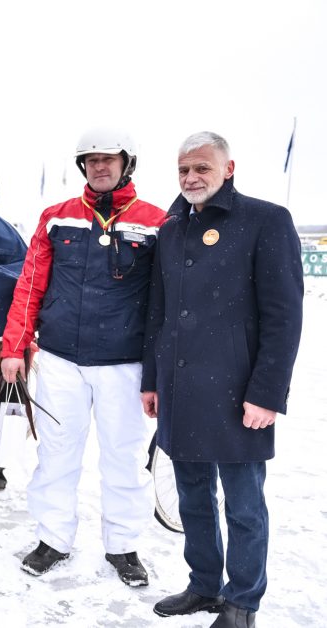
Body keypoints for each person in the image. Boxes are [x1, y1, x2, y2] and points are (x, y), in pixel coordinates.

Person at [143, 132, 303, 627]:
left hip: (239, 394)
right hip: (180, 390)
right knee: (193, 497)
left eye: (202, 169)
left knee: (243, 506)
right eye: (183, 171)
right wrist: (152, 381)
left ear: (227, 169)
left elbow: (284, 316)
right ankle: (204, 585)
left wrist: (267, 394)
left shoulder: (266, 220)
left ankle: (242, 602)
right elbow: (159, 313)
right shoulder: (170, 230)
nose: (191, 179)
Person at [0, 128, 165, 586]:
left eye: (108, 159)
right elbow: (30, 285)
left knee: (124, 459)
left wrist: (160, 372)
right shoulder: (56, 218)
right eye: (91, 160)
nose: (100, 167)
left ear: (126, 163)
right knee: (56, 454)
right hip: (59, 362)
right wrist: (14, 347)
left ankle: (123, 547)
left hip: (124, 366)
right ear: (82, 167)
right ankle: (53, 538)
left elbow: (166, 303)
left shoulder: (157, 221)